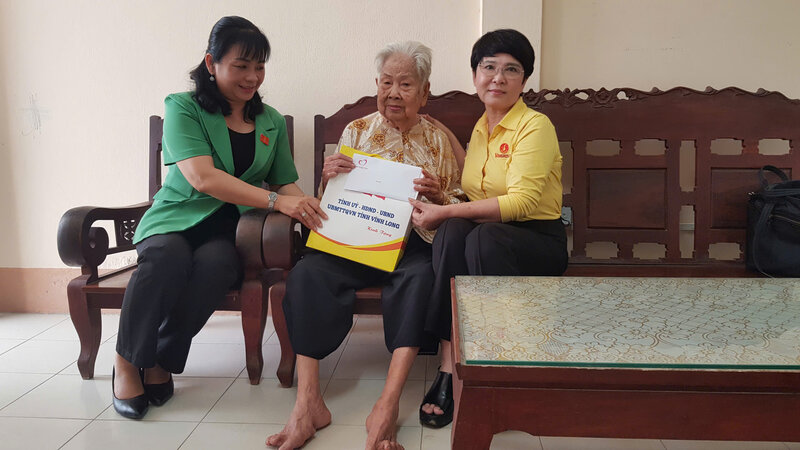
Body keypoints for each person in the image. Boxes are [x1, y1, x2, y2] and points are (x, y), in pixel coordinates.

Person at [112, 16, 325, 420]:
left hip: (229, 230)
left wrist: (319, 212)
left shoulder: (271, 121)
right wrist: (276, 201)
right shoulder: (183, 107)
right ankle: (126, 360)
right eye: (241, 66)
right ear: (212, 64)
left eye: (259, 66)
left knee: (217, 266)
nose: (252, 77)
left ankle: (158, 359)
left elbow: (285, 184)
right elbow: (202, 177)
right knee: (165, 260)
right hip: (175, 219)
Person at [266, 41, 463, 450]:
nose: (393, 92)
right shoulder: (356, 130)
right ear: (376, 84)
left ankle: (387, 404)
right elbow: (335, 199)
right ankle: (308, 403)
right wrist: (328, 177)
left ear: (424, 92)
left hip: (412, 245)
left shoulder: (438, 140)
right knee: (307, 275)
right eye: (386, 82)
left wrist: (438, 195)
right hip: (356, 243)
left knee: (420, 279)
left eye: (405, 84)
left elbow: (460, 202)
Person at [409, 29, 569, 428]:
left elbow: (522, 203)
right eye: (489, 67)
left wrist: (443, 213)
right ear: (475, 75)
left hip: (539, 241)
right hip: (492, 239)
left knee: (477, 234)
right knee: (454, 234)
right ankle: (449, 365)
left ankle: (498, 366)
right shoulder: (483, 125)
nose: (498, 77)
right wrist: (443, 182)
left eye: (510, 69)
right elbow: (471, 188)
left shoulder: (535, 126)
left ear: (524, 80)